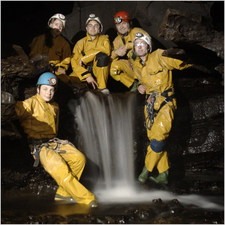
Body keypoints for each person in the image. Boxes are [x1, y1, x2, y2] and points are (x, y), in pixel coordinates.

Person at [15, 72, 98, 207]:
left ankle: (63, 194)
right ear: (38, 89)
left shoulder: (55, 106)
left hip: (53, 142)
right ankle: (87, 199)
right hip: (39, 147)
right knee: (60, 168)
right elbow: (14, 110)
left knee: (79, 159)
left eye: (52, 90)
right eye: (45, 89)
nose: (49, 93)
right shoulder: (29, 104)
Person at [132, 32, 192, 185]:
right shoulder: (137, 65)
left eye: (142, 44)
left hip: (166, 102)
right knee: (154, 139)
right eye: (136, 44)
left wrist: (187, 57)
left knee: (158, 139)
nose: (139, 46)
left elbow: (180, 63)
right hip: (150, 105)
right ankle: (164, 174)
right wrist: (140, 86)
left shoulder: (159, 56)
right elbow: (140, 80)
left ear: (148, 46)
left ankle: (145, 172)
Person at [70, 14, 111, 94]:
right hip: (83, 71)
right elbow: (74, 62)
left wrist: (84, 58)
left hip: (98, 70)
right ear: (86, 28)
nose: (93, 28)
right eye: (90, 25)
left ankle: (102, 88)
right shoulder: (80, 43)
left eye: (96, 25)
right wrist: (87, 75)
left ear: (100, 28)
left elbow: (106, 50)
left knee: (103, 57)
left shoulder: (104, 39)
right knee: (70, 82)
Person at [110, 11, 150, 92]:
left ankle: (145, 83)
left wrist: (127, 46)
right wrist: (115, 53)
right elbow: (109, 57)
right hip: (133, 68)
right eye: (118, 25)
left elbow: (148, 43)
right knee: (113, 66)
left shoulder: (136, 31)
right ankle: (133, 85)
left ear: (130, 23)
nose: (121, 27)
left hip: (147, 67)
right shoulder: (117, 40)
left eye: (124, 23)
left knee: (133, 54)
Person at [29, 13, 71, 78]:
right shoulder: (40, 38)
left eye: (61, 26)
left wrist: (61, 68)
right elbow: (33, 55)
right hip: (39, 69)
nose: (58, 27)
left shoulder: (65, 43)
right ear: (50, 24)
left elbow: (66, 59)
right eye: (56, 24)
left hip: (56, 70)